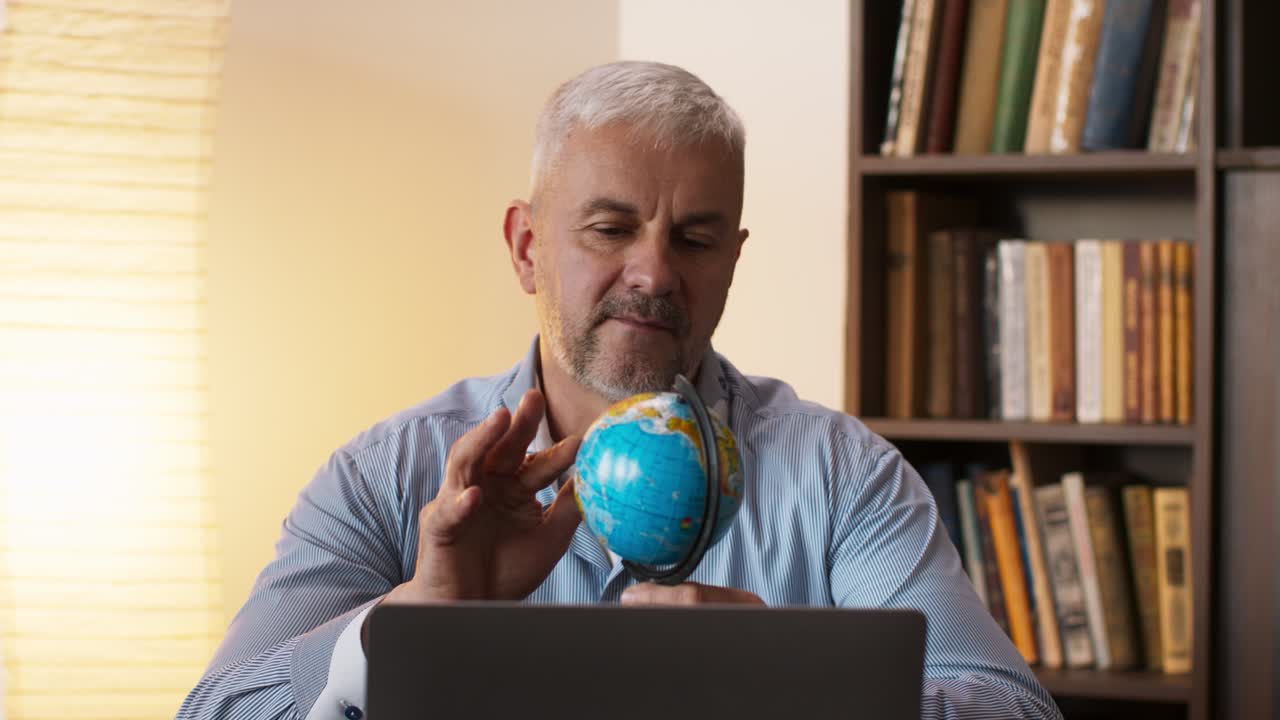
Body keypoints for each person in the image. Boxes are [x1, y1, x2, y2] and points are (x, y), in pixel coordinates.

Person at [179, 61, 1062, 720]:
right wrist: (416, 615)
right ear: (526, 248)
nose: (654, 273)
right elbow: (216, 711)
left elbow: (1011, 709)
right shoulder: (386, 476)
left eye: (695, 240)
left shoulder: (843, 476)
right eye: (610, 229)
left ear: (731, 263)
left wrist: (791, 682)